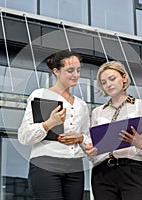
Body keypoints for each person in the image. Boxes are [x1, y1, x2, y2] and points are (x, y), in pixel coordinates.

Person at [18, 50, 90, 200]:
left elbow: (88, 139)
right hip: (46, 163)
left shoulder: (81, 105)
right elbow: (24, 137)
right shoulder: (40, 95)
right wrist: (49, 123)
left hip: (75, 166)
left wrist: (80, 138)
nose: (75, 75)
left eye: (78, 70)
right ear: (56, 71)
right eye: (70, 70)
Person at [85, 61, 142, 200]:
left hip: (133, 170)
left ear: (124, 77)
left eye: (112, 79)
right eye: (104, 82)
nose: (108, 85)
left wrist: (140, 144)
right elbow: (92, 150)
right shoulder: (97, 112)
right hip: (102, 174)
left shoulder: (141, 106)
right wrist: (91, 150)